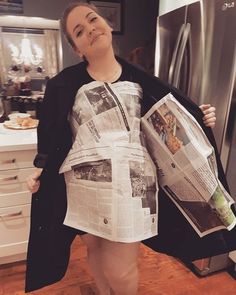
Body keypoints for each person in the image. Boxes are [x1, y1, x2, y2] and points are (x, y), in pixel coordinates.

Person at [25, 2, 236, 295]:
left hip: (131, 186)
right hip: (82, 185)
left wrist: (200, 119)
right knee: (95, 247)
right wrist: (40, 168)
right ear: (76, 47)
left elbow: (173, 118)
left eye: (92, 19)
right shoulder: (63, 84)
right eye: (80, 31)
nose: (91, 29)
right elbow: (50, 132)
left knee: (121, 269)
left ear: (107, 23)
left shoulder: (143, 79)